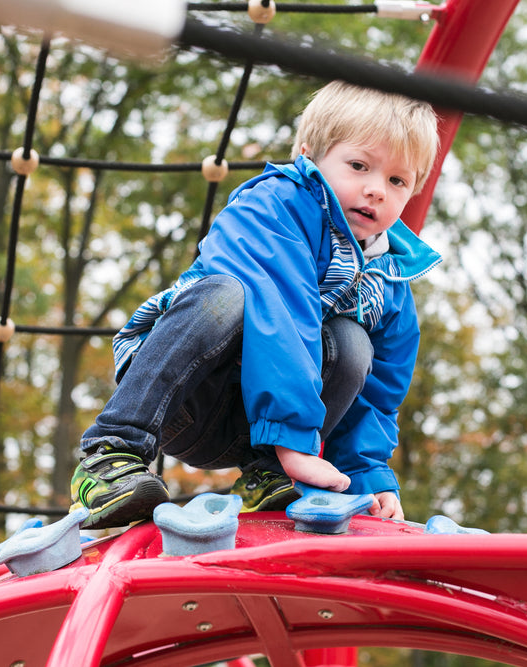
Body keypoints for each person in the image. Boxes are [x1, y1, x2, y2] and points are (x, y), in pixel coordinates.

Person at [69, 80, 441, 529]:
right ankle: (111, 453)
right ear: (309, 157)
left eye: (397, 180)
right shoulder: (273, 206)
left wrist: (369, 475)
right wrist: (296, 444)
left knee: (353, 341)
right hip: (186, 395)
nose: (377, 189)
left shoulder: (390, 276)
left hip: (259, 428)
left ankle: (266, 475)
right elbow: (281, 313)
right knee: (225, 296)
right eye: (359, 165)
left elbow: (380, 392)